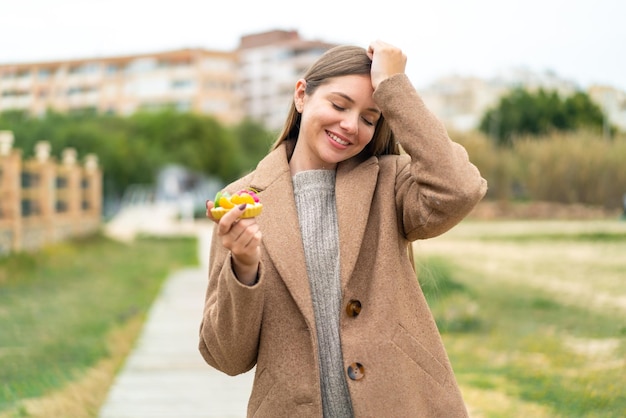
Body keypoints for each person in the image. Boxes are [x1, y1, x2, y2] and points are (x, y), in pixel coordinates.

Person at [199, 40, 488, 417]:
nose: (350, 125)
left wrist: (394, 86)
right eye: (338, 105)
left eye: (370, 118)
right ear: (302, 96)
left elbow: (460, 188)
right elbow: (227, 357)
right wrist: (244, 267)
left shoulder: (391, 183)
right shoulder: (240, 200)